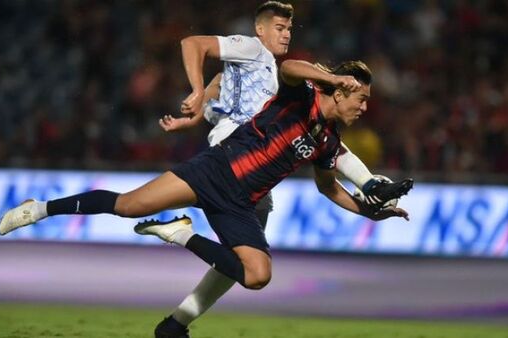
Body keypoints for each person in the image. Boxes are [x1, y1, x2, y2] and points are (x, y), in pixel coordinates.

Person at [0, 58, 413, 335]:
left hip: (239, 203)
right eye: (360, 97)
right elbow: (288, 67)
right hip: (212, 172)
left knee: (258, 275)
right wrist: (328, 77)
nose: (364, 107)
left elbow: (328, 188)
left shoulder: (327, 140)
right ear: (339, 91)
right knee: (127, 206)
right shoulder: (300, 97)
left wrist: (369, 213)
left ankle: (180, 234)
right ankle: (39, 209)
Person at [149, 2, 406, 337]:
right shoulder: (262, 56)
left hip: (251, 159)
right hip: (239, 153)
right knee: (248, 263)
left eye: (288, 30)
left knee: (240, 260)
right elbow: (206, 51)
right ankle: (179, 249)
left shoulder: (265, 68)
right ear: (262, 29)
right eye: (281, 29)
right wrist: (198, 98)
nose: (286, 35)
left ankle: (176, 323)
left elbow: (219, 81)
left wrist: (197, 111)